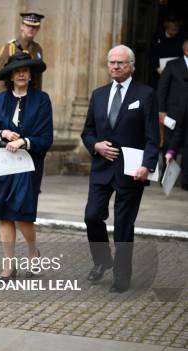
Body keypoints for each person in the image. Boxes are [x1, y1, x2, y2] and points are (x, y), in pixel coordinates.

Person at [81, 45, 158, 293]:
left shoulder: (145, 94)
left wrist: (148, 165)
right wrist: (96, 145)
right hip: (101, 168)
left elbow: (152, 136)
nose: (115, 66)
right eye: (111, 62)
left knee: (124, 225)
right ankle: (103, 260)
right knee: (92, 216)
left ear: (131, 65)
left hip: (131, 171)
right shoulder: (99, 94)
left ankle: (122, 276)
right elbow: (87, 131)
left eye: (121, 63)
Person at [0, 52, 52, 281]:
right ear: (10, 76)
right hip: (3, 165)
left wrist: (24, 141)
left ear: (30, 75)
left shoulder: (42, 99)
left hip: (27, 166)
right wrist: (3, 132)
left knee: (22, 215)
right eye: (17, 71)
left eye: (25, 71)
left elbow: (46, 136)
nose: (21, 74)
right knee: (4, 215)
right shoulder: (0, 100)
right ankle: (9, 266)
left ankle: (32, 252)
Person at [160, 38, 188, 189]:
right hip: (174, 112)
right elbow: (162, 88)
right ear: (186, 50)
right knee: (170, 144)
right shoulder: (173, 65)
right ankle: (166, 179)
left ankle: (186, 180)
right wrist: (161, 111)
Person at [0, 12, 45, 91]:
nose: (31, 29)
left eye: (34, 27)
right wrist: (2, 101)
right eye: (28, 26)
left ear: (38, 29)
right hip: (12, 96)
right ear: (22, 27)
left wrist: (38, 99)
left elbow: (38, 78)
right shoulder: (10, 47)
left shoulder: (38, 49)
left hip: (31, 97)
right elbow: (1, 78)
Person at [149, 16, 183, 89]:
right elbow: (152, 54)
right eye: (173, 30)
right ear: (167, 28)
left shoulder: (180, 39)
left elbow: (181, 55)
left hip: (174, 71)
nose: (175, 32)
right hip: (158, 71)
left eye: (177, 30)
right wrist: (157, 68)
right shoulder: (157, 37)